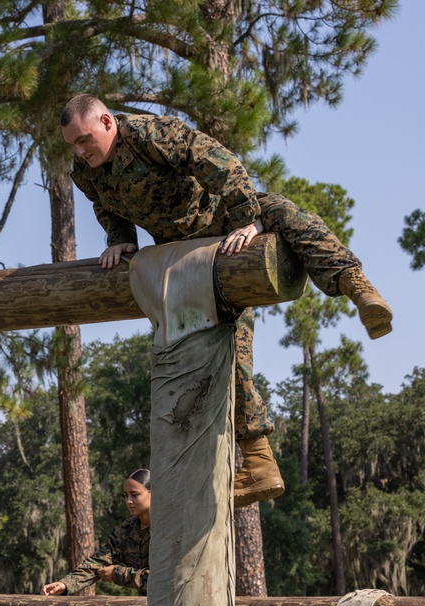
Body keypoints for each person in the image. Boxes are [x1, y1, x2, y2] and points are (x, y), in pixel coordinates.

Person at [60, 94, 393, 508]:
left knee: (288, 215)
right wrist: (121, 240)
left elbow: (221, 161)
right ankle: (258, 462)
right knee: (228, 347)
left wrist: (245, 221)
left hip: (224, 218)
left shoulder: (149, 134)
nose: (80, 150)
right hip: (187, 251)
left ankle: (358, 289)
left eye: (85, 138)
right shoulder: (84, 170)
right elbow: (106, 209)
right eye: (73, 143)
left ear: (107, 122)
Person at [42, 468, 151, 606]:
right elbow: (98, 562)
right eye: (125, 495)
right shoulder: (126, 530)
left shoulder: (171, 529)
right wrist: (65, 585)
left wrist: (117, 574)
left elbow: (164, 580)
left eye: (135, 495)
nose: (128, 501)